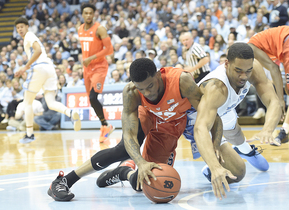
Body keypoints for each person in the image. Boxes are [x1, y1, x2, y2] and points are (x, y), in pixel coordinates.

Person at [47, 58, 246, 202]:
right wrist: (140, 161)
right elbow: (129, 135)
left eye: (150, 86)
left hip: (171, 127)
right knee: (123, 149)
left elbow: (213, 117)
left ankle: (124, 172)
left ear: (158, 74)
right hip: (148, 116)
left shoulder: (181, 81)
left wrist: (215, 145)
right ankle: (64, 180)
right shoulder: (132, 93)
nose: (148, 92)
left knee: (148, 183)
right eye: (142, 89)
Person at [194, 43, 282, 198]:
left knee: (236, 133)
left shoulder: (252, 68)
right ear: (226, 63)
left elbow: (274, 102)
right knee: (238, 173)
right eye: (238, 70)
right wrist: (215, 166)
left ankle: (244, 149)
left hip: (225, 110)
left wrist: (267, 129)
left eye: (247, 71)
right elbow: (200, 128)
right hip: (203, 118)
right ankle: (210, 168)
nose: (244, 76)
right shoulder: (217, 87)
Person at [14, 17, 81, 144]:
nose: (20, 30)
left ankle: (29, 134)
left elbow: (38, 51)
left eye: (22, 26)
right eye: (18, 28)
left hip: (39, 68)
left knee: (27, 102)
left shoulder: (29, 35)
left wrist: (25, 67)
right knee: (50, 102)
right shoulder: (29, 37)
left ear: (27, 27)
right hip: (50, 68)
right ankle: (71, 112)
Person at [78, 3, 114, 143]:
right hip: (87, 68)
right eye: (86, 13)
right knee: (90, 99)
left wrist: (91, 58)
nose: (88, 15)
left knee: (93, 97)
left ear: (94, 14)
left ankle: (105, 125)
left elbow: (109, 50)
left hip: (99, 67)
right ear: (82, 14)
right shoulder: (80, 29)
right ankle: (105, 125)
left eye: (90, 13)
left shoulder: (100, 29)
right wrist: (84, 61)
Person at [247, 26, 289, 145]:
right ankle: (285, 130)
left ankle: (285, 130)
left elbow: (274, 68)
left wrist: (281, 100)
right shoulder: (256, 46)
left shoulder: (251, 48)